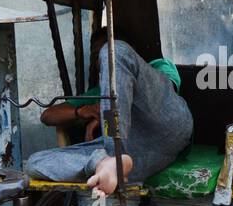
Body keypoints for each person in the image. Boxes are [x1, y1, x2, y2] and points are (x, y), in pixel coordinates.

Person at [26, 27, 192, 196]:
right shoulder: (96, 92)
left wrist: (110, 111)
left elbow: (163, 96)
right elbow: (48, 116)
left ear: (132, 51)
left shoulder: (157, 67)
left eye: (102, 53)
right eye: (96, 55)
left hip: (167, 127)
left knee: (114, 52)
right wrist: (84, 111)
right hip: (140, 153)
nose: (100, 58)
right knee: (36, 163)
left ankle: (115, 156)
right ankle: (107, 163)